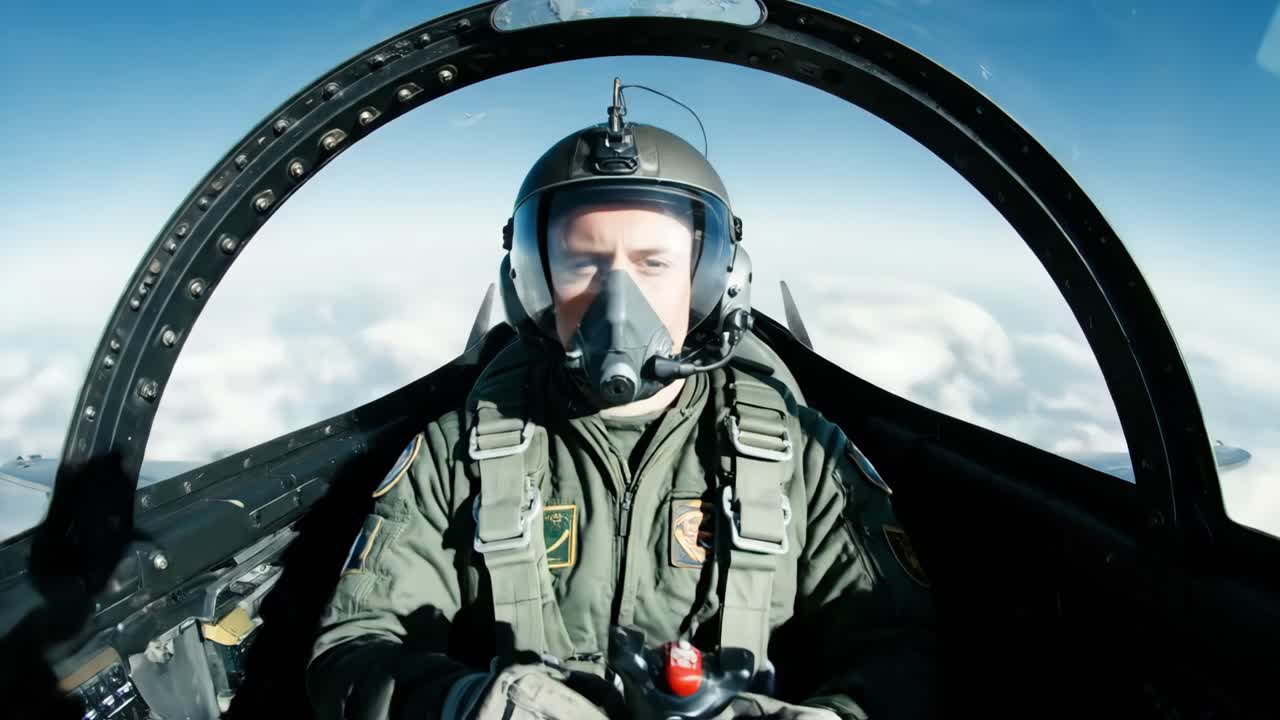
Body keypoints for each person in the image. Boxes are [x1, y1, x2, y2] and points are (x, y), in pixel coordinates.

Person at [307, 90, 938, 720]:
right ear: (533, 281)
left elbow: (906, 654)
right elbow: (353, 649)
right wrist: (469, 703)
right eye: (584, 262)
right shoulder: (457, 454)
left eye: (653, 263)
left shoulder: (802, 457)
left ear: (715, 280)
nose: (618, 301)